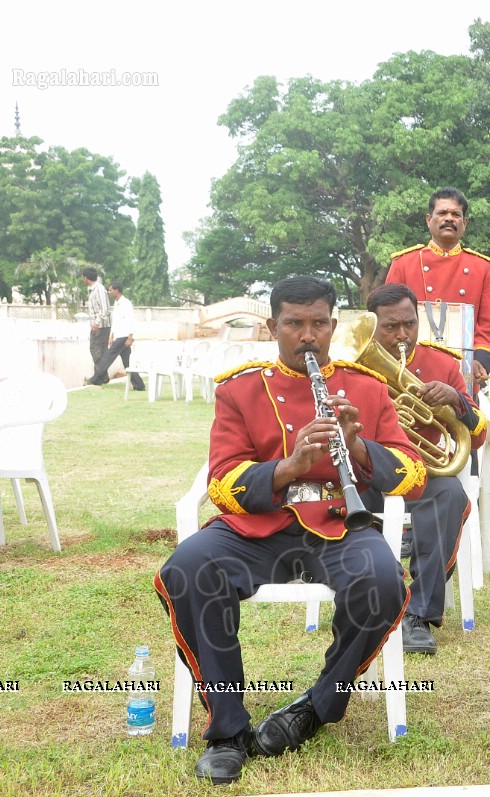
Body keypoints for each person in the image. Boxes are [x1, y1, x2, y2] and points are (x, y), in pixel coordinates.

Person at [154, 276, 428, 784]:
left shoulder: (366, 387)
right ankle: (228, 728)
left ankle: (316, 707)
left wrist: (360, 446)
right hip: (261, 524)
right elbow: (224, 483)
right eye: (294, 323)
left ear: (332, 325)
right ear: (272, 326)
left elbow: (412, 475)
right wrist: (288, 466)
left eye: (319, 323)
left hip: (341, 523)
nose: (308, 335)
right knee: (189, 568)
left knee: (384, 582)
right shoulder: (240, 389)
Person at [368, 284, 489, 655]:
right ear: (371, 327)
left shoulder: (442, 363)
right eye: (390, 327)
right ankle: (365, 599)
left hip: (421, 474)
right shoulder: (350, 364)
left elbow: (478, 435)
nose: (402, 335)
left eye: (409, 323)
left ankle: (417, 614)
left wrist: (455, 399)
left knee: (451, 495)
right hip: (368, 470)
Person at [385, 187, 490, 383]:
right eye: (442, 213)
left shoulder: (482, 268)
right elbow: (386, 318)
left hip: (463, 371)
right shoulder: (404, 263)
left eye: (456, 214)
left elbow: (488, 327)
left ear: (464, 223)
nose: (449, 218)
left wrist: (479, 361)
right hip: (410, 370)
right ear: (429, 220)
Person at [85, 282, 146, 390]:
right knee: (128, 362)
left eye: (111, 290)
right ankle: (139, 385)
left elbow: (130, 320)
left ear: (117, 290)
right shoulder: (117, 304)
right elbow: (116, 322)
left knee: (107, 357)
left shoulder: (126, 303)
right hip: (118, 335)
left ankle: (95, 379)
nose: (109, 292)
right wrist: (111, 335)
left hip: (124, 336)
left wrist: (130, 337)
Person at [81, 267, 111, 370]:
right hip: (95, 326)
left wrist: (97, 323)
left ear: (85, 278)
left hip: (102, 326)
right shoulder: (91, 290)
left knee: (99, 351)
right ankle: (101, 375)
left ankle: (99, 376)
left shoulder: (100, 289)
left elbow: (105, 309)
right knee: (93, 349)